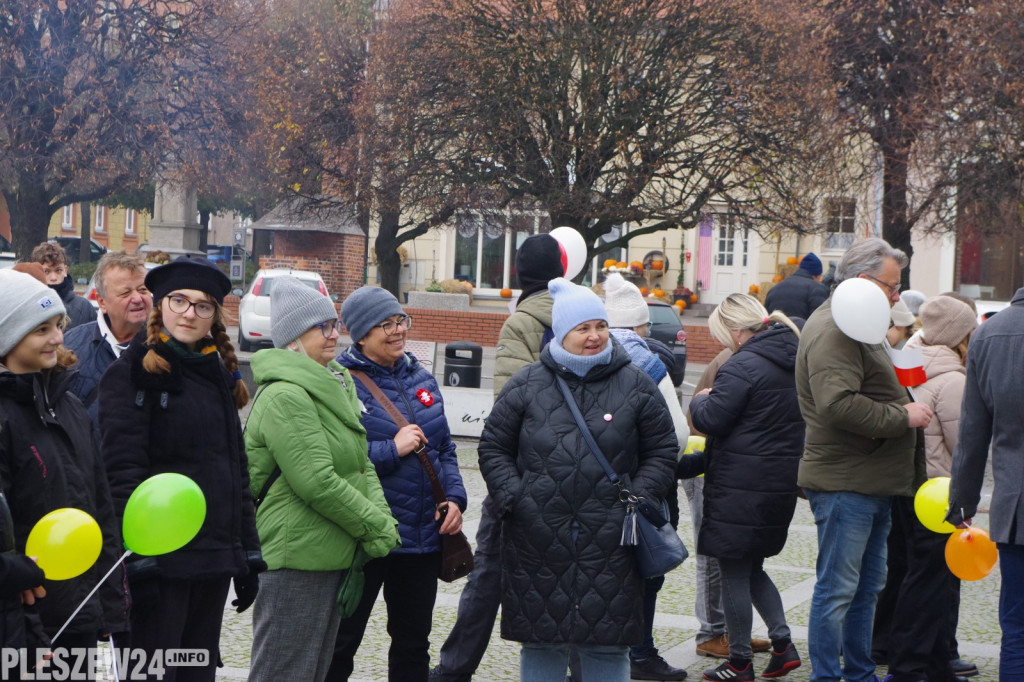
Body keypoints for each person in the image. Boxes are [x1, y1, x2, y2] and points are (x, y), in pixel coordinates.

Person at [478, 277, 678, 682]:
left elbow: (663, 449)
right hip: (538, 536)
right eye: (582, 328)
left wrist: (637, 498)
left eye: (600, 326)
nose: (594, 336)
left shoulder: (635, 383)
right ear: (562, 332)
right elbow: (493, 447)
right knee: (543, 641)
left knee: (607, 642)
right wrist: (516, 498)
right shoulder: (527, 384)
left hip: (612, 538)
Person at [97, 257, 264, 682]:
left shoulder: (218, 375)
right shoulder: (132, 374)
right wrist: (134, 562)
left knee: (194, 674)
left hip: (210, 561)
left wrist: (247, 552)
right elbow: (121, 474)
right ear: (160, 306)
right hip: (159, 566)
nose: (190, 313)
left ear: (214, 316)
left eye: (203, 306)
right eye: (180, 301)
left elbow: (235, 471)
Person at [246, 277, 400, 682]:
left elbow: (360, 466)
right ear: (295, 337)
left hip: (329, 554)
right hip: (295, 557)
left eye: (335, 325)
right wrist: (377, 527)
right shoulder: (287, 395)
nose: (335, 335)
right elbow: (317, 481)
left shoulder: (335, 383)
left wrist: (381, 521)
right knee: (284, 672)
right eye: (323, 327)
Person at [795, 237, 934, 682]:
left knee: (864, 589)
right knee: (838, 591)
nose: (896, 296)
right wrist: (902, 415)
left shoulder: (859, 323)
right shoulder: (836, 327)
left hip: (867, 479)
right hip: (845, 483)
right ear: (860, 281)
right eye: (890, 286)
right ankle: (829, 676)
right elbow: (838, 405)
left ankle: (858, 673)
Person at [431, 233, 562, 682]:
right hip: (573, 475)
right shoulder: (583, 316)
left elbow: (509, 407)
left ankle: (452, 671)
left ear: (518, 273)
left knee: (488, 574)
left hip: (523, 475)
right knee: (569, 579)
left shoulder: (522, 321)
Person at [329, 286, 468, 682]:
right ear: (359, 333)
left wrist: (455, 499)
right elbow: (335, 461)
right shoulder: (340, 384)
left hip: (422, 537)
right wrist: (393, 448)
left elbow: (444, 448)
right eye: (383, 324)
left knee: (412, 645)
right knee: (342, 642)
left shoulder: (422, 378)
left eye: (400, 321)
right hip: (364, 537)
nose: (396, 331)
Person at [0, 270, 128, 667]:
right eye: (41, 329)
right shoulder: (4, 418)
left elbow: (98, 507)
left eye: (58, 325)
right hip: (22, 618)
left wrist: (107, 604)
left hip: (78, 610)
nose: (58, 338)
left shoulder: (68, 405)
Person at [677, 294, 803, 681]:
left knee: (733, 570)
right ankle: (783, 646)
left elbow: (713, 419)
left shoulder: (741, 365)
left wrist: (699, 401)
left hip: (739, 487)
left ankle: (739, 661)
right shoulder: (792, 359)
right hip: (777, 483)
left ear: (735, 330)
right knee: (753, 569)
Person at [873, 296, 977, 682]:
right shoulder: (952, 380)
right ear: (959, 335)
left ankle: (931, 663)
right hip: (939, 493)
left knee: (910, 574)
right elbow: (962, 445)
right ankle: (911, 666)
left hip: (907, 488)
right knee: (931, 582)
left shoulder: (910, 365)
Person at [603, 272, 689, 681]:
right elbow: (678, 432)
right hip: (646, 487)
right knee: (647, 568)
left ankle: (593, 656)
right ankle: (640, 653)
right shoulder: (649, 361)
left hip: (593, 484)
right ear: (642, 325)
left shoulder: (584, 352)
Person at [947, 284, 1024, 679]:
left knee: (1017, 629)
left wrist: (962, 502)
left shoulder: (989, 334)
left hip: (1016, 510)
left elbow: (973, 434)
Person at [64, 251, 153, 424]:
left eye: (143, 290)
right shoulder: (70, 347)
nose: (137, 298)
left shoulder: (169, 347)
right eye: (125, 293)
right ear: (102, 301)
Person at [30, 241, 94, 329]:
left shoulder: (84, 307)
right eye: (46, 271)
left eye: (58, 270)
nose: (53, 278)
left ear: (65, 270)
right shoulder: (28, 305)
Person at [764, 253, 828, 319]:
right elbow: (818, 319)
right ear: (816, 275)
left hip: (776, 328)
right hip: (800, 328)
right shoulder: (817, 289)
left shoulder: (773, 290)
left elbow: (766, 318)